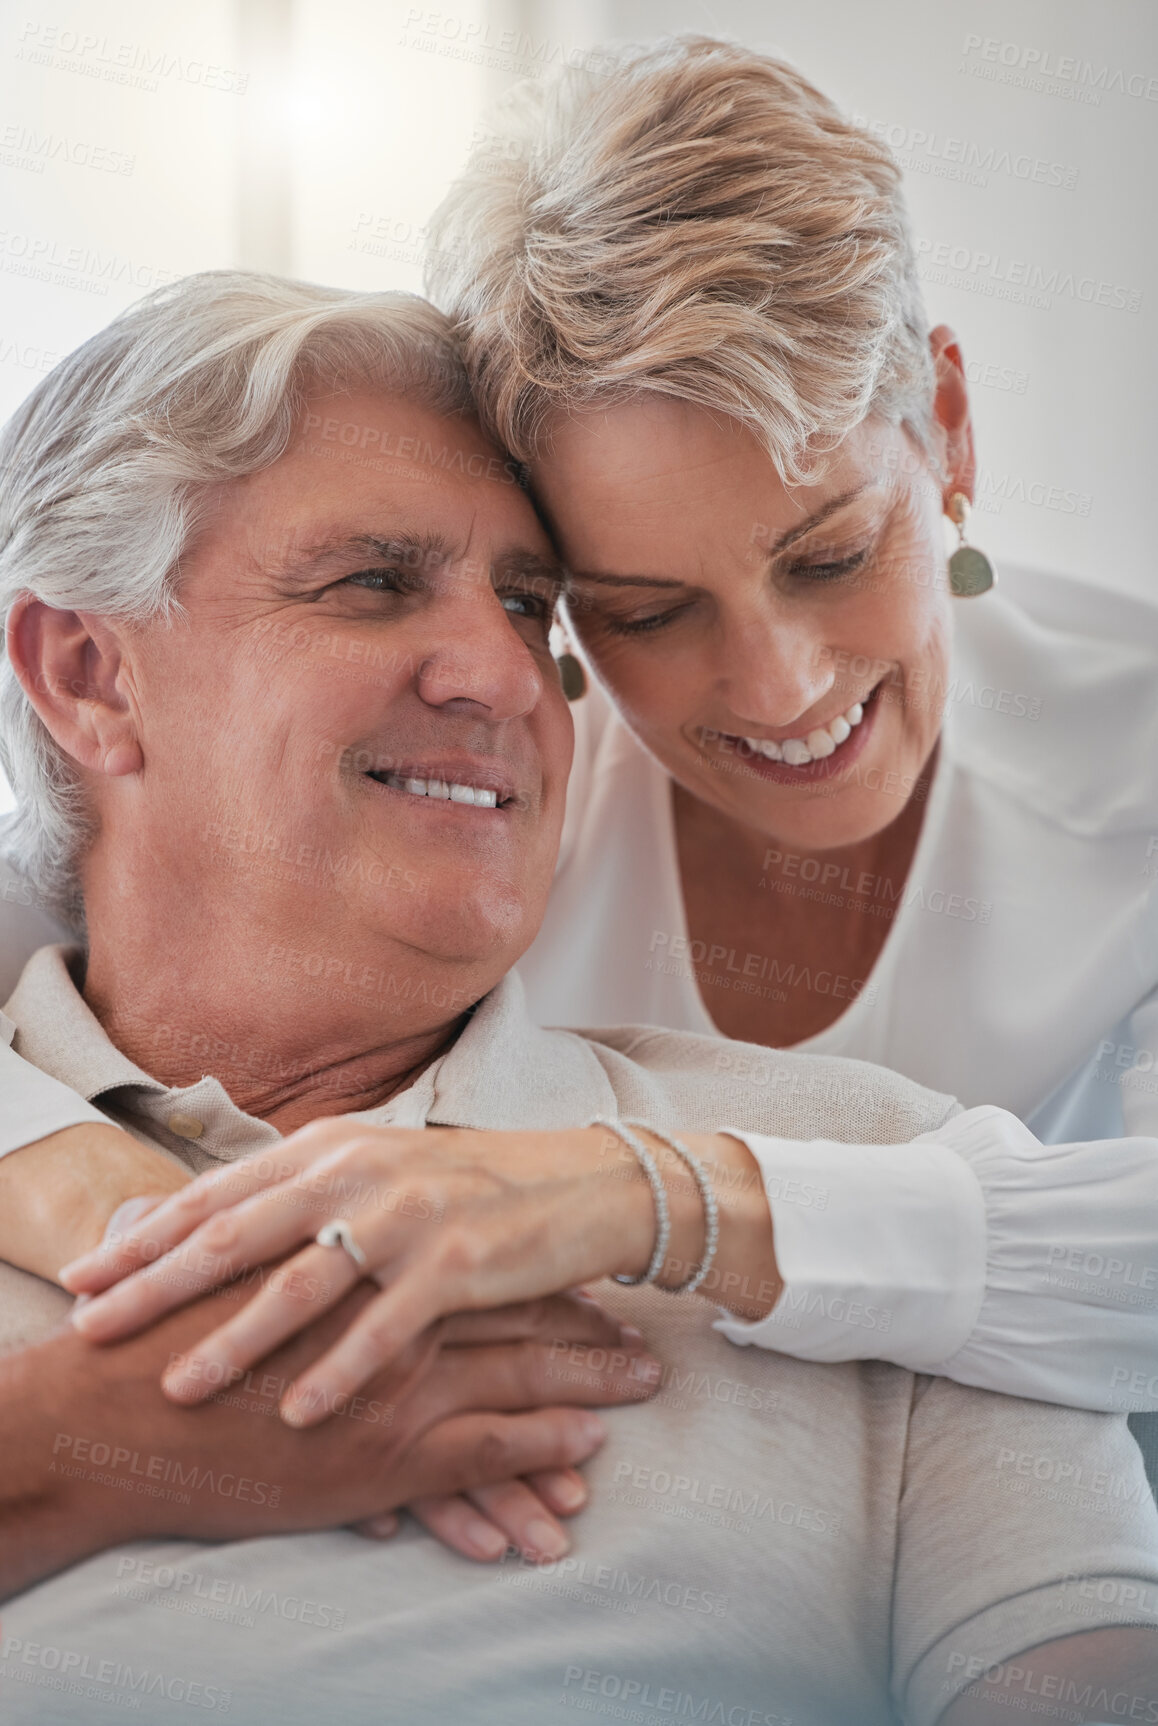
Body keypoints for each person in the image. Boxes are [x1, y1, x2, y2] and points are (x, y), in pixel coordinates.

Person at [0, 272, 1156, 1724]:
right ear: (87, 669)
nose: (509, 673)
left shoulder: (892, 1182)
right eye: (372, 580)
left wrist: (659, 1203)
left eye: (531, 603)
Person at [3, 38, 1158, 1423]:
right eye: (642, 609)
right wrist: (55, 1164)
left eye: (830, 555)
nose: (779, 687)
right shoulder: (472, 785)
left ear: (949, 433)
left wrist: (653, 1193)